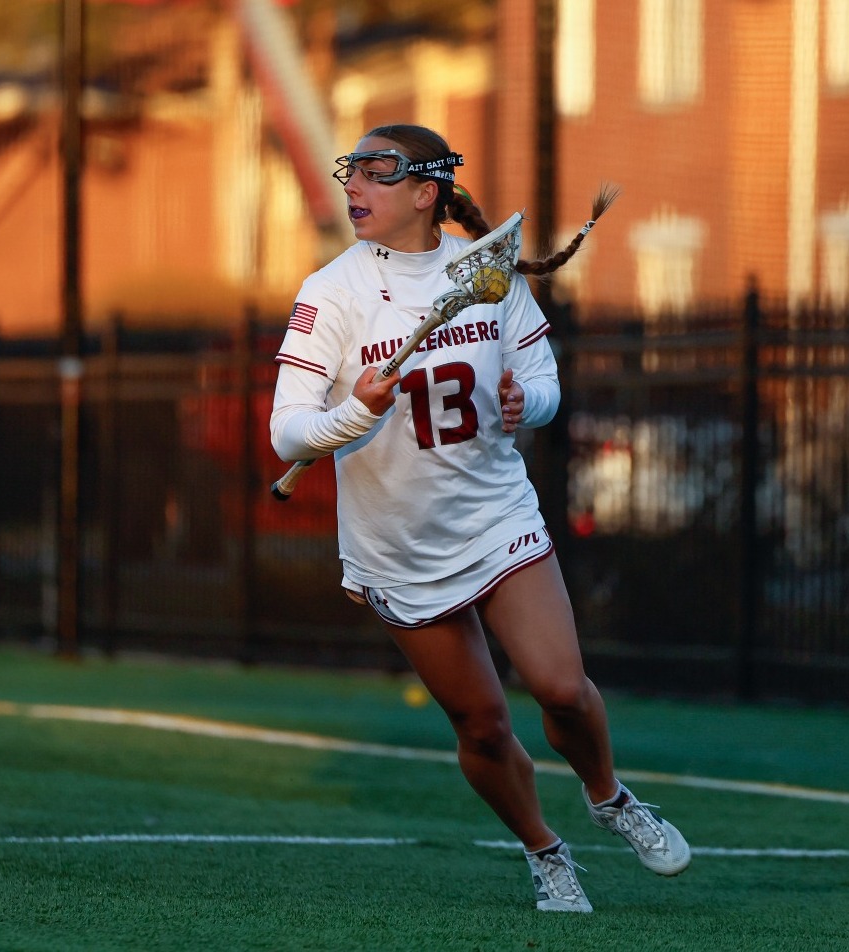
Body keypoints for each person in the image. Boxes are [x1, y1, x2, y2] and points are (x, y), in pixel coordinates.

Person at [269, 124, 690, 913]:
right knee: (485, 727)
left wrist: (522, 401)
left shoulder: (490, 274)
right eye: (349, 172)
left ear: (427, 193)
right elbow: (287, 431)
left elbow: (542, 380)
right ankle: (544, 849)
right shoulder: (330, 293)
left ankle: (609, 797)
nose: (353, 187)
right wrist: (347, 417)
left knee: (562, 689)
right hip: (396, 545)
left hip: (497, 517)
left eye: (376, 173)